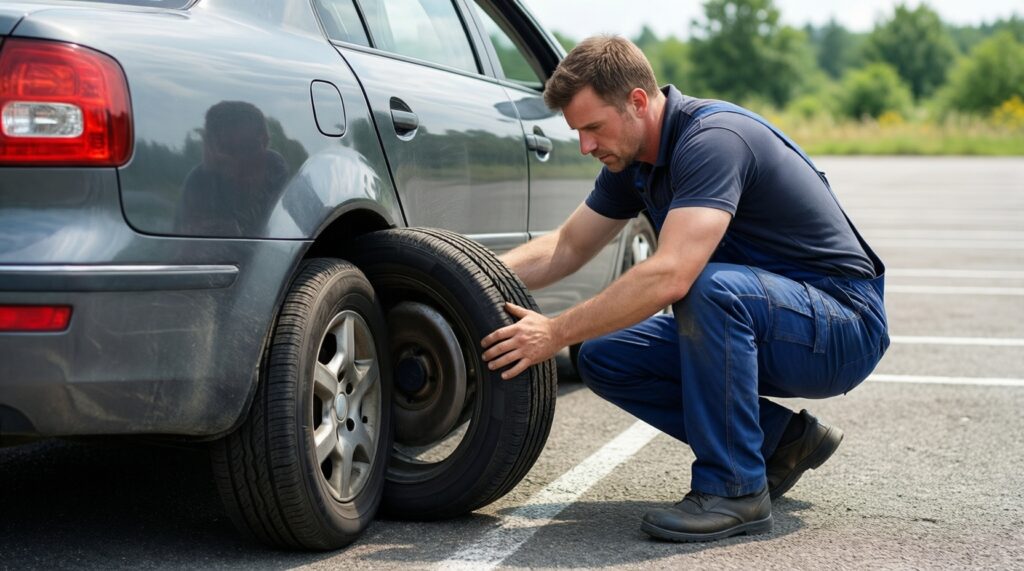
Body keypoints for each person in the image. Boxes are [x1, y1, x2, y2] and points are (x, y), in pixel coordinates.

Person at [480, 36, 889, 543]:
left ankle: (735, 490)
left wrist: (555, 331)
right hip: (769, 319)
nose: (586, 146)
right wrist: (466, 276)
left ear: (636, 101)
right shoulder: (631, 161)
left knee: (707, 288)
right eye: (577, 132)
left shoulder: (713, 140)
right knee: (605, 355)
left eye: (592, 127)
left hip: (842, 324)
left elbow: (671, 273)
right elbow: (566, 246)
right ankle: (782, 444)